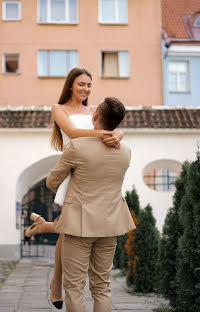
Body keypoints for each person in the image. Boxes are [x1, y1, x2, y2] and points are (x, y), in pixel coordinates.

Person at [24, 67, 123, 309]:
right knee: (70, 230)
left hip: (93, 170)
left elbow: (115, 122)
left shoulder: (94, 111)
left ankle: (55, 280)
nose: (86, 89)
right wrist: (106, 134)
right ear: (70, 85)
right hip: (74, 169)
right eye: (81, 84)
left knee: (68, 231)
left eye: (89, 85)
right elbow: (71, 132)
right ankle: (56, 283)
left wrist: (119, 133)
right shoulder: (59, 109)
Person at [46, 97, 136, 312]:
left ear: (94, 117)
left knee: (75, 286)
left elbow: (51, 182)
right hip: (110, 224)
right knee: (102, 287)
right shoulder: (125, 150)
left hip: (79, 226)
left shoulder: (77, 147)